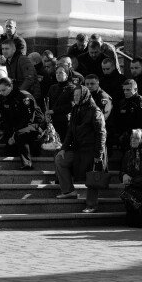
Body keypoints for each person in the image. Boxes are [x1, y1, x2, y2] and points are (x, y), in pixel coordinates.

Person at [54, 84, 107, 214]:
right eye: (74, 95)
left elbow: (101, 133)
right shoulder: (76, 109)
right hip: (78, 149)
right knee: (60, 160)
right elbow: (70, 131)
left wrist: (98, 154)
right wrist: (63, 148)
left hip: (92, 150)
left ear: (84, 95)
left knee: (92, 176)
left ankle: (92, 205)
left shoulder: (95, 111)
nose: (76, 97)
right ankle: (68, 191)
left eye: (78, 95)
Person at [0, 77, 43, 170]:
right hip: (17, 125)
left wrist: (14, 133)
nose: (2, 93)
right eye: (0, 90)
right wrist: (8, 131)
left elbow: (28, 118)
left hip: (33, 124)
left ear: (10, 86)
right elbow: (5, 117)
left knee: (20, 134)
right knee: (9, 148)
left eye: (4, 90)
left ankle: (27, 164)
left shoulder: (24, 96)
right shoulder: (2, 98)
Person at [115, 79, 142, 151]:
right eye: (124, 90)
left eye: (128, 90)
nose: (125, 92)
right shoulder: (122, 102)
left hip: (137, 137)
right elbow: (118, 120)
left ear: (135, 89)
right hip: (125, 137)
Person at [45, 63, 77, 138]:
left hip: (65, 121)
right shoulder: (53, 87)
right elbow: (47, 101)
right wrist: (46, 113)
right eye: (56, 73)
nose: (58, 75)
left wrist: (54, 111)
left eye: (61, 73)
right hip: (52, 121)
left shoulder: (72, 88)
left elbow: (71, 105)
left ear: (67, 75)